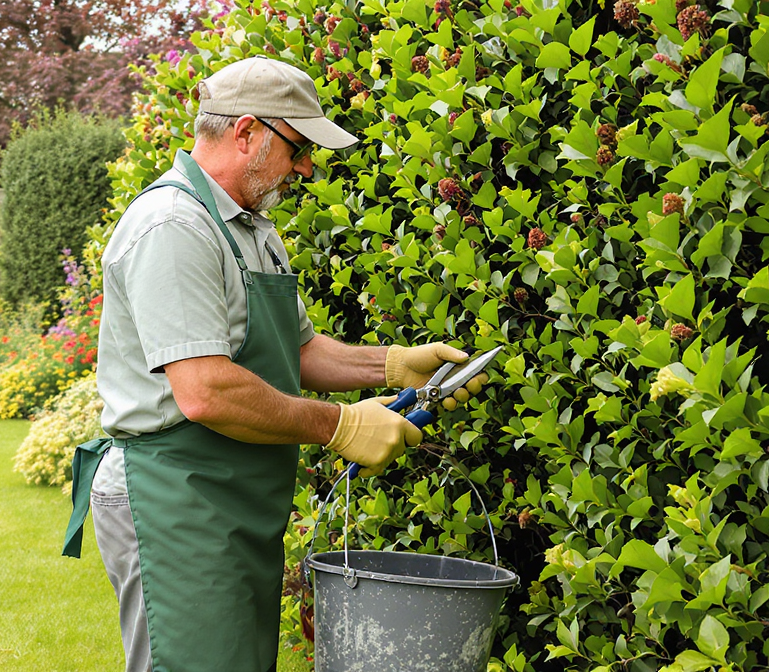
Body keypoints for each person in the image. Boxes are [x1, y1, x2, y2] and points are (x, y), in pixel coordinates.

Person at [60, 57, 487, 672]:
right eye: (299, 148)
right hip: (171, 495)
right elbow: (206, 390)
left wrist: (396, 366)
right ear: (246, 132)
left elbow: (300, 349)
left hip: (228, 498)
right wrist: (341, 427)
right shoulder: (174, 227)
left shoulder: (250, 226)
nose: (307, 167)